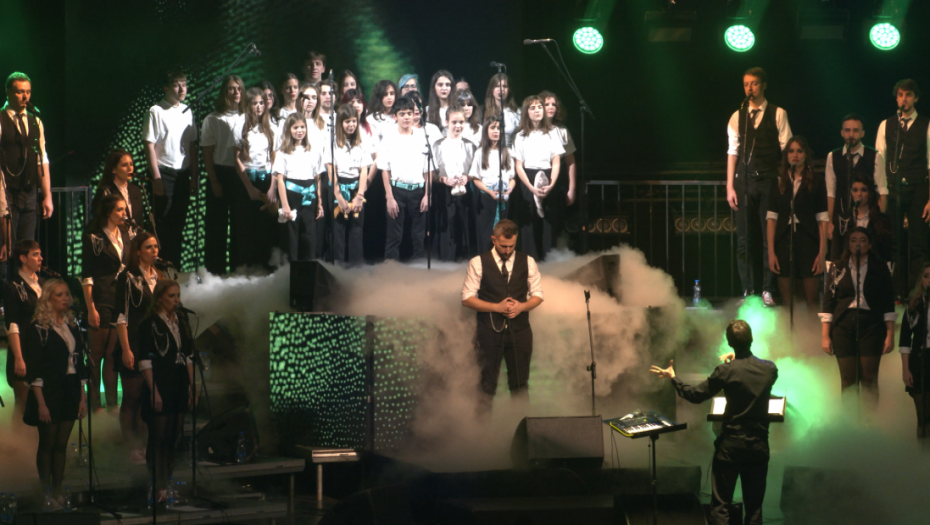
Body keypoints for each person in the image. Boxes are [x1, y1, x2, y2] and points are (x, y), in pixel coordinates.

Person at [650, 320, 778, 525]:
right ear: (752, 339)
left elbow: (695, 395)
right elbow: (750, 374)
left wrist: (673, 378)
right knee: (754, 508)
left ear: (729, 343)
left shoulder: (725, 371)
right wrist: (738, 358)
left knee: (721, 505)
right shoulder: (769, 369)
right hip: (759, 445)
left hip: (731, 446)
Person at [726, 67, 792, 306]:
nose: (749, 88)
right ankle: (747, 288)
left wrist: (786, 181)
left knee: (768, 237)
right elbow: (733, 152)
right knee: (744, 239)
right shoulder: (738, 116)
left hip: (768, 181)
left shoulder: (778, 113)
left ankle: (767, 289)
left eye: (754, 83)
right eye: (746, 84)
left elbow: (787, 149)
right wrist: (730, 186)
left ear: (763, 85)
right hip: (743, 181)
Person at [462, 219, 543, 411]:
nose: (507, 250)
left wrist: (522, 306)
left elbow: (538, 295)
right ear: (494, 239)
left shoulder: (528, 262)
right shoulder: (478, 262)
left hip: (520, 332)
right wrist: (496, 307)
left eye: (511, 246)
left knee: (520, 385)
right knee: (487, 385)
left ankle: (520, 425)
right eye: (503, 246)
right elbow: (466, 298)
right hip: (489, 332)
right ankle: (481, 428)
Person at [22, 279, 87, 505]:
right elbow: (35, 368)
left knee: (61, 445)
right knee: (48, 444)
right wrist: (41, 403)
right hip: (49, 390)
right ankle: (46, 492)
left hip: (70, 387)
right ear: (48, 298)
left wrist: (82, 397)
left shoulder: (72, 327)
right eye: (59, 295)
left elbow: (80, 363)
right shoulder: (39, 328)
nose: (65, 298)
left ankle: (58, 491)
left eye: (66, 294)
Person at [821, 227, 896, 412]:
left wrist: (890, 334)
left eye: (863, 240)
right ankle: (850, 422)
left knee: (869, 379)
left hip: (871, 325)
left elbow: (888, 302)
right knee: (848, 380)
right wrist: (825, 336)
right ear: (848, 244)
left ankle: (869, 422)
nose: (858, 244)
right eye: (853, 240)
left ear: (869, 245)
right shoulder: (837, 268)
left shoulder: (880, 268)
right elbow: (828, 302)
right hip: (843, 324)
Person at [139, 280, 194, 503]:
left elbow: (189, 356)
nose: (176, 300)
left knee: (172, 438)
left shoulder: (182, 321)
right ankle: (157, 486)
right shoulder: (150, 324)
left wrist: (191, 387)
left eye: (178, 295)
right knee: (158, 438)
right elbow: (144, 360)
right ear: (160, 297)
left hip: (179, 381)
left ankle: (167, 484)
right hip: (161, 381)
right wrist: (154, 390)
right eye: (172, 296)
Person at [114, 232, 166, 464]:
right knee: (132, 397)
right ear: (138, 251)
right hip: (133, 342)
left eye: (156, 246)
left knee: (147, 397)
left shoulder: (160, 276)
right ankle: (131, 446)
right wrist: (126, 349)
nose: (154, 251)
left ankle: (146, 445)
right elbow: (121, 316)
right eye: (148, 247)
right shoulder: (127, 277)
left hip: (154, 344)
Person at [875, 79, 930, 296]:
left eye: (908, 95)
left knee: (918, 243)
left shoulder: (926, 125)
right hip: (893, 189)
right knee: (893, 242)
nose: (903, 99)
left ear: (916, 98)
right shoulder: (886, 125)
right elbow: (879, 160)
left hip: (918, 188)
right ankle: (896, 291)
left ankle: (917, 292)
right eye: (900, 95)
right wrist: (881, 194)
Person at [142, 70, 198, 268]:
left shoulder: (187, 111)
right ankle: (157, 269)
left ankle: (175, 268)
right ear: (166, 88)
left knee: (178, 223)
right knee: (161, 225)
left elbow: (192, 146)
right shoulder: (156, 111)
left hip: (183, 174)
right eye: (176, 85)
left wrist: (193, 177)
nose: (182, 89)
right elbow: (149, 145)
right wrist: (156, 177)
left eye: (184, 84)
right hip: (163, 173)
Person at [765, 136, 828, 312]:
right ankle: (789, 329)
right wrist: (771, 252)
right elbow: (771, 219)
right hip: (784, 241)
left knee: (811, 299)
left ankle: (813, 329)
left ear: (806, 155)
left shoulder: (816, 181)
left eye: (799, 151)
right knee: (787, 300)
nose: (795, 155)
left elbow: (822, 219)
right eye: (791, 151)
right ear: (786, 155)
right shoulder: (778, 181)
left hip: (808, 240)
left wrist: (821, 254)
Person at [81, 194, 131, 412]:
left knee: (112, 355)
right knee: (96, 355)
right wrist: (91, 308)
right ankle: (94, 406)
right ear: (108, 212)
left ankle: (112, 405)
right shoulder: (94, 237)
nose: (124, 214)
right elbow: (87, 275)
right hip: (101, 298)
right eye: (119, 210)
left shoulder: (126, 234)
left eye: (124, 209)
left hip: (120, 298)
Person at [0, 72, 54, 251]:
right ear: (8, 92)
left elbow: (42, 160)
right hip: (7, 193)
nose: (25, 97)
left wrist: (47, 196)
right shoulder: (1, 119)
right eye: (19, 92)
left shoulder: (35, 121)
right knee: (6, 247)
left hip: (29, 193)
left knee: (27, 248)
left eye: (28, 92)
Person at [202, 75, 246, 274]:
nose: (236, 92)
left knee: (239, 225)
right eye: (231, 88)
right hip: (220, 172)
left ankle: (237, 269)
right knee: (216, 225)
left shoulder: (247, 116)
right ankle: (214, 271)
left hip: (241, 174)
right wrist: (214, 180)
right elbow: (207, 153)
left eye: (239, 88)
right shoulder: (213, 119)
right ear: (224, 92)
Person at [379, 96, 431, 261]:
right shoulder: (389, 137)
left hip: (418, 191)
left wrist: (427, 194)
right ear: (395, 116)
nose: (407, 117)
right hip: (397, 190)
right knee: (394, 235)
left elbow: (427, 170)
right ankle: (391, 268)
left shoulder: (422, 136)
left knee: (418, 235)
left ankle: (419, 267)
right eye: (402, 114)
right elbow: (385, 169)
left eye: (409, 113)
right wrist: (389, 197)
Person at [513, 95, 565, 260]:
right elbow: (518, 165)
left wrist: (551, 184)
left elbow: (556, 161)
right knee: (529, 221)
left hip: (548, 177)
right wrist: (530, 187)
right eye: (532, 107)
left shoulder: (552, 133)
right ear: (526, 112)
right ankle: (530, 260)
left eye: (540, 107)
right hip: (527, 178)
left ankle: (548, 261)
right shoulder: (520, 135)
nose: (537, 110)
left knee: (548, 220)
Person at [233, 87, 278, 268]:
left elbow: (274, 159)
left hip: (266, 179)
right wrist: (249, 188)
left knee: (265, 226)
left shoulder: (271, 126)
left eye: (261, 103)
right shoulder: (240, 125)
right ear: (248, 105)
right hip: (247, 180)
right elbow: (236, 159)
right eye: (254, 103)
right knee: (246, 226)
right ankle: (246, 267)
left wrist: (272, 187)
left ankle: (264, 266)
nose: (259, 107)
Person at [825, 114, 887, 243]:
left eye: (855, 130)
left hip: (868, 220)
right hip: (841, 220)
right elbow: (831, 193)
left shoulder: (875, 156)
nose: (851, 135)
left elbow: (882, 191)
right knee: (839, 254)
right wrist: (830, 222)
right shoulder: (833, 157)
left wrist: (880, 221)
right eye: (847, 130)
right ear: (842, 132)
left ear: (862, 133)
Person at [3, 240, 44, 430]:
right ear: (22, 258)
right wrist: (19, 358)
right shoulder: (13, 286)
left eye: (40, 254)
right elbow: (12, 325)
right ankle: (18, 443)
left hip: (42, 350)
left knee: (42, 401)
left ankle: (39, 441)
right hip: (24, 350)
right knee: (23, 403)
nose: (40, 258)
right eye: (35, 254)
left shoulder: (43, 283)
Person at [325, 105, 371, 265]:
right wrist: (338, 196)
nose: (351, 125)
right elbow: (331, 170)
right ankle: (338, 267)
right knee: (338, 230)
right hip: (339, 185)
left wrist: (360, 195)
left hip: (356, 187)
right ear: (340, 123)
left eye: (353, 121)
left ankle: (355, 267)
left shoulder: (361, 141)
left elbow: (364, 170)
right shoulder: (332, 142)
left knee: (356, 229)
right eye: (347, 122)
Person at [275, 114, 324, 261]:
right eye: (295, 127)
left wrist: (320, 203)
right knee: (292, 237)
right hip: (292, 197)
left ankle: (309, 270)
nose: (300, 130)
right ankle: (292, 271)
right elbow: (280, 180)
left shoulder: (313, 150)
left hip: (310, 197)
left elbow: (318, 178)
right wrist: (285, 205)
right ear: (288, 130)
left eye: (302, 127)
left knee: (309, 236)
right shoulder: (283, 152)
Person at [434, 107, 477, 261]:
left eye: (461, 122)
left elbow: (476, 171)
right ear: (446, 122)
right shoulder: (438, 145)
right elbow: (432, 173)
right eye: (454, 122)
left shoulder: (470, 145)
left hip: (465, 190)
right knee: (446, 225)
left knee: (464, 224)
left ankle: (464, 258)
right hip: (444, 191)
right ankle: (446, 259)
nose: (458, 126)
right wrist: (444, 179)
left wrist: (467, 177)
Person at [470, 115, 516, 253]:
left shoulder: (507, 152)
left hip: (503, 197)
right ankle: (486, 259)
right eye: (492, 128)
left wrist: (508, 191)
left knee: (503, 232)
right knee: (486, 232)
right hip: (486, 197)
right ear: (486, 130)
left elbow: (512, 178)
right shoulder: (480, 153)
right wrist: (489, 191)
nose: (496, 131)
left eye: (499, 128)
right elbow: (476, 178)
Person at [829, 175, 893, 264]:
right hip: (847, 267)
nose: (859, 194)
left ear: (870, 192)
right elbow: (836, 250)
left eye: (863, 190)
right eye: (855, 190)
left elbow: (886, 251)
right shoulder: (843, 219)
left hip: (874, 268)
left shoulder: (881, 219)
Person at [900, 262, 930, 449]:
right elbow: (904, 340)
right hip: (919, 360)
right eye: (926, 276)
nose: (929, 280)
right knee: (923, 417)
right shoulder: (914, 306)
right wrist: (906, 369)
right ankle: (922, 456)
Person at [92, 149, 145, 237]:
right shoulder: (106, 191)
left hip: (135, 240)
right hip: (115, 238)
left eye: (131, 164)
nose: (130, 169)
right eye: (124, 165)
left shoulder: (135, 190)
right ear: (114, 169)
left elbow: (139, 220)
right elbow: (100, 220)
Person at [540, 91, 577, 208]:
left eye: (554, 104)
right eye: (547, 104)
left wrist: (572, 189)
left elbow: (570, 162)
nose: (551, 107)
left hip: (558, 180)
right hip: (537, 176)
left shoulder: (562, 131)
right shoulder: (532, 130)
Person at [483, 73, 520, 147]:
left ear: (509, 90)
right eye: (497, 86)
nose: (501, 89)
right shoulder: (483, 112)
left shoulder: (516, 112)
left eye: (504, 86)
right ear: (491, 89)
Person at [426, 70, 454, 134]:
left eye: (447, 85)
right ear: (434, 87)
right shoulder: (427, 111)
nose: (444, 88)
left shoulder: (457, 110)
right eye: (440, 85)